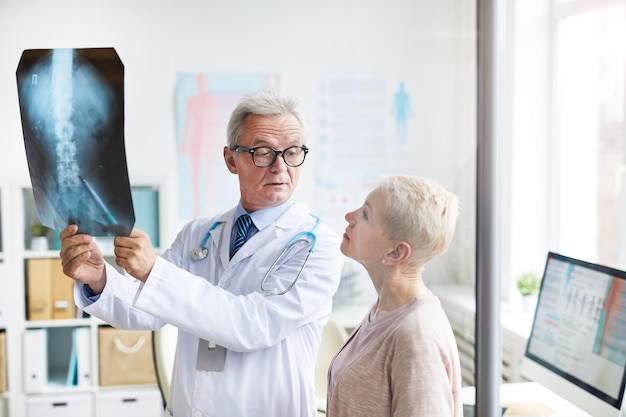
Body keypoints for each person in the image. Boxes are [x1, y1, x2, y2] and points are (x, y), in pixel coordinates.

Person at [59, 90, 345, 417]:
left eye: (292, 152)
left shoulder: (315, 244)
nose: (280, 167)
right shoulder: (200, 233)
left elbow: (253, 326)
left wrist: (156, 273)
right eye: (263, 152)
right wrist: (99, 278)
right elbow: (146, 309)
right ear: (230, 159)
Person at [326, 174, 462, 417]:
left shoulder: (417, 337)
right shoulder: (384, 309)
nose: (350, 216)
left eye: (365, 215)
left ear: (397, 252)